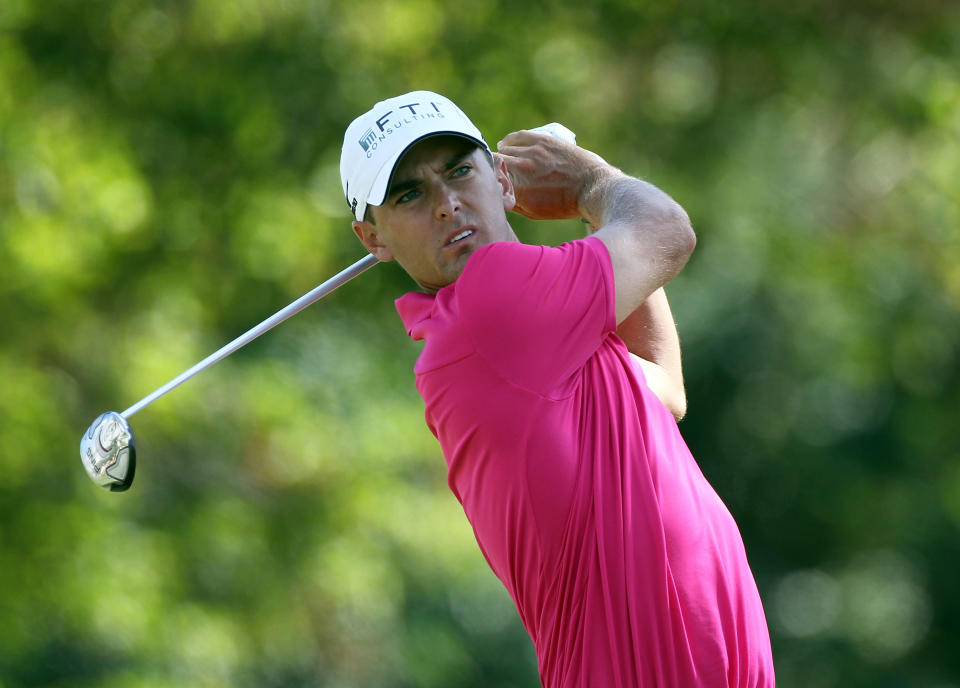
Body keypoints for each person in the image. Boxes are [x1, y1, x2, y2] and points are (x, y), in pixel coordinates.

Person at [340, 91, 775, 687]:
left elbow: (662, 384)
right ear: (373, 238)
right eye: (409, 195)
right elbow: (667, 229)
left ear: (502, 179)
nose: (446, 204)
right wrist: (590, 182)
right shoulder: (492, 303)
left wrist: (594, 208)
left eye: (460, 171)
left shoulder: (532, 336)